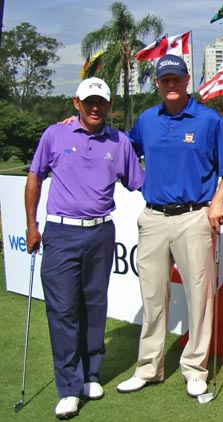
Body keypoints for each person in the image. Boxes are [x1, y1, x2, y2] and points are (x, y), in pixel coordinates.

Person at [115, 55, 223, 398]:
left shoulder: (208, 120)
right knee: (153, 295)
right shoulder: (146, 120)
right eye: (164, 80)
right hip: (153, 218)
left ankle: (195, 368)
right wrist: (76, 124)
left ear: (187, 81)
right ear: (157, 84)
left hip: (193, 217)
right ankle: (148, 368)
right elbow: (121, 148)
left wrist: (217, 202)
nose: (171, 85)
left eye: (177, 79)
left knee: (199, 296)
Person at [24, 77, 144, 419]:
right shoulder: (55, 135)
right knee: (62, 310)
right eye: (89, 101)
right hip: (61, 233)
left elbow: (141, 183)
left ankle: (91, 373)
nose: (95, 107)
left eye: (101, 102)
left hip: (100, 233)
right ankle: (69, 387)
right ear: (77, 103)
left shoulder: (119, 142)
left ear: (109, 106)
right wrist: (32, 226)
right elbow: (35, 176)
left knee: (94, 306)